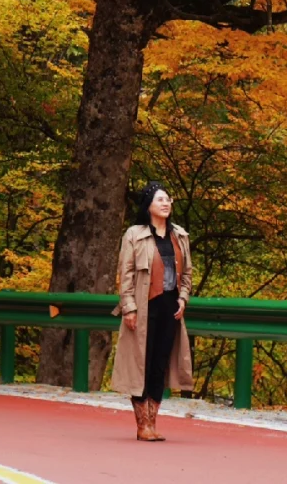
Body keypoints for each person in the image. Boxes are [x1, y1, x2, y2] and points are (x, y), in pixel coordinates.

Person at [110, 181, 193, 441]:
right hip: (144, 306)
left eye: (168, 199)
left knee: (160, 363)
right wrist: (129, 308)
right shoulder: (134, 234)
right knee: (140, 363)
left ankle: (153, 422)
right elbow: (126, 275)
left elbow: (187, 273)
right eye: (160, 200)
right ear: (148, 206)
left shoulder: (179, 235)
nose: (166, 203)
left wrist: (183, 298)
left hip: (170, 306)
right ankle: (142, 424)